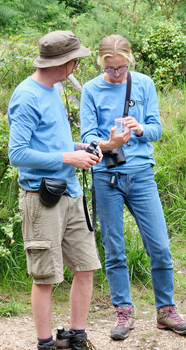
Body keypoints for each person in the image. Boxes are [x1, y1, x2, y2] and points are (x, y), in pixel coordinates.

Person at [80, 34, 186, 340]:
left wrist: (140, 128)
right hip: (107, 176)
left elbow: (156, 128)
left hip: (141, 175)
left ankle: (166, 310)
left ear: (129, 60)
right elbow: (87, 136)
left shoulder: (144, 84)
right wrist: (108, 143)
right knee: (115, 250)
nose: (116, 74)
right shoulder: (91, 89)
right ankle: (123, 312)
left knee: (159, 246)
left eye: (121, 68)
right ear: (101, 63)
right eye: (110, 68)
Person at [7, 31, 102, 350]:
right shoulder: (26, 96)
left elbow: (49, 140)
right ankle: (46, 344)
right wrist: (67, 157)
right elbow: (17, 154)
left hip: (71, 193)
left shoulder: (56, 88)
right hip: (41, 198)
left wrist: (79, 148)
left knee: (86, 266)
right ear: (61, 62)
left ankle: (75, 339)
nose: (77, 65)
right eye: (75, 60)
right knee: (45, 277)